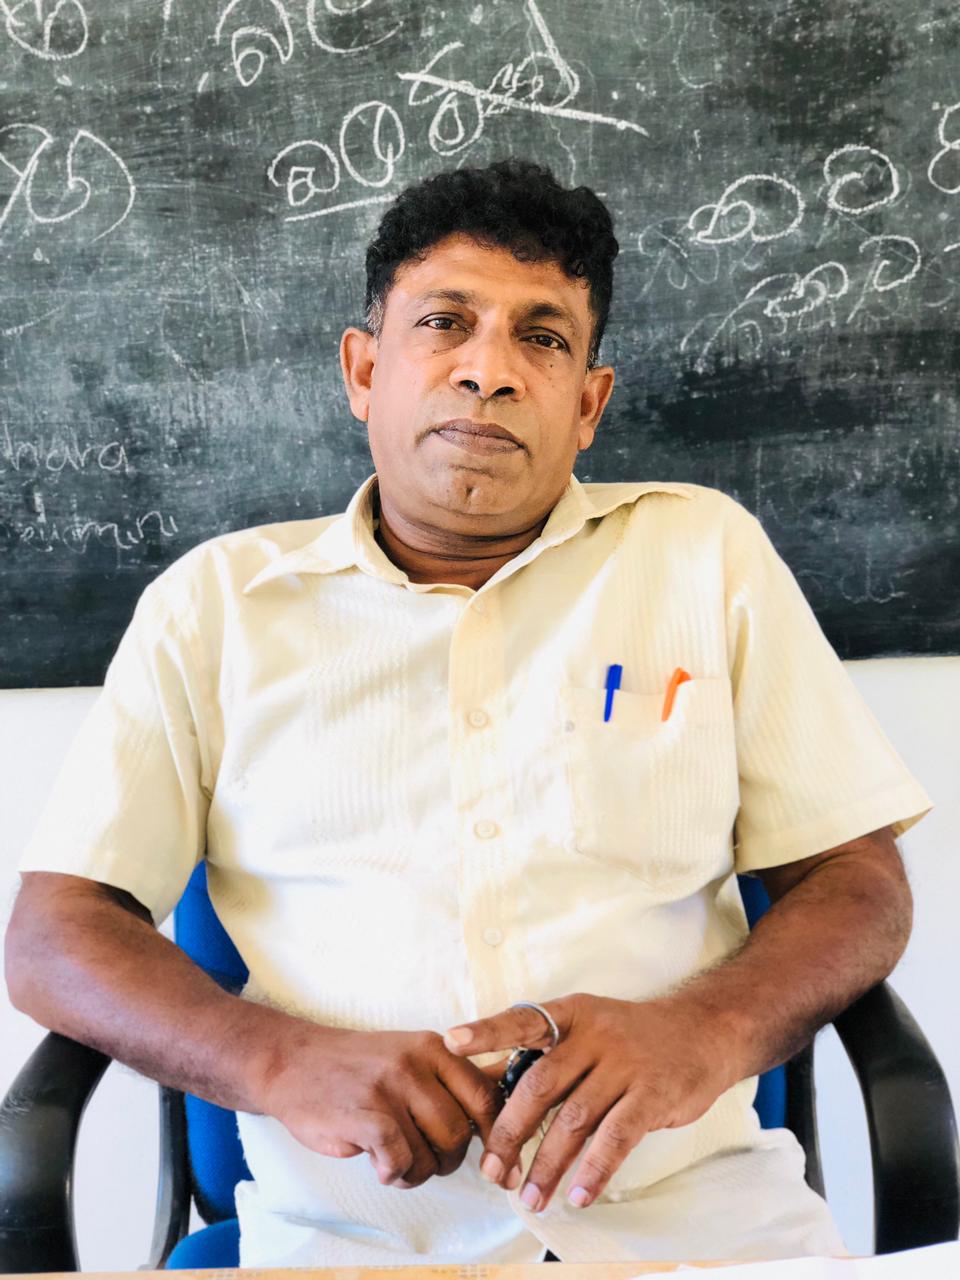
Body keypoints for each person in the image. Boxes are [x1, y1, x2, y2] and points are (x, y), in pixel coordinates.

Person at [6, 159, 931, 1267]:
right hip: (352, 1245)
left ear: (588, 404)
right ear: (365, 370)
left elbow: (856, 880)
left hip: (702, 1234)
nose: (488, 371)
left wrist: (703, 1030)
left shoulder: (703, 557)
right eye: (445, 323)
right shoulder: (216, 607)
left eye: (542, 338)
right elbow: (57, 935)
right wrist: (278, 1059)